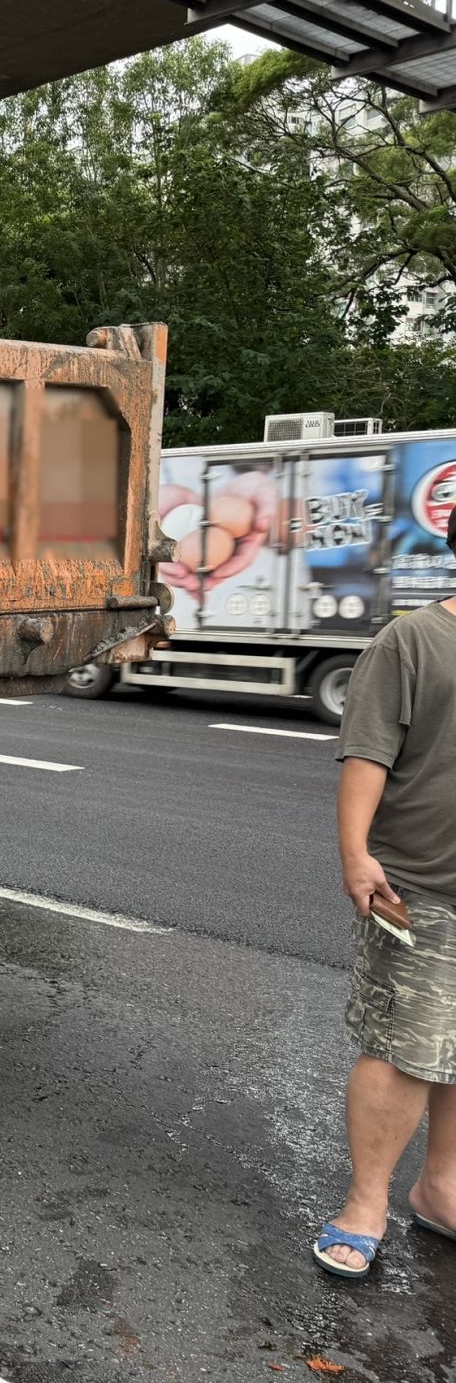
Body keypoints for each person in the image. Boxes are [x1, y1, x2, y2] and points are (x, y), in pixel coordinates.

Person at [315, 512, 456, 1279]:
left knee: (455, 1049)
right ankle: (365, 1203)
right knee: (403, 1049)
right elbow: (367, 752)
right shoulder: (413, 641)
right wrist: (355, 854)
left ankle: (441, 1188)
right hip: (421, 886)